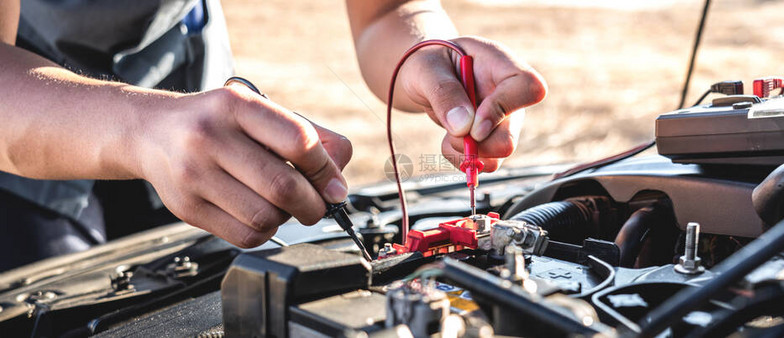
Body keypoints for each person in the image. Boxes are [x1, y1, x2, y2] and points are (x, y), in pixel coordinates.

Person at [0, 0, 546, 270]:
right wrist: (141, 128)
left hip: (195, 97)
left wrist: (430, 55)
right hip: (33, 119)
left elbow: (385, 12)